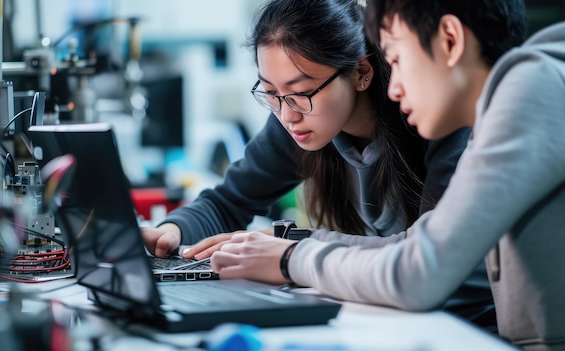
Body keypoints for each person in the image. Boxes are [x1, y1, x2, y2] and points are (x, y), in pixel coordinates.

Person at [210, 0, 565, 349]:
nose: (393, 88)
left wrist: (292, 258)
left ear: (450, 41)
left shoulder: (530, 94)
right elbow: (425, 251)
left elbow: (419, 272)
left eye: (396, 58)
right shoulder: (511, 103)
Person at [141, 0, 494, 328]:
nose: (287, 115)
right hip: (400, 311)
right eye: (271, 93)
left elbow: (428, 258)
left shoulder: (438, 115)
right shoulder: (295, 120)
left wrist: (291, 248)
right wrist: (172, 233)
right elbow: (229, 200)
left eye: (301, 92)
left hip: (468, 323)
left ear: (361, 73)